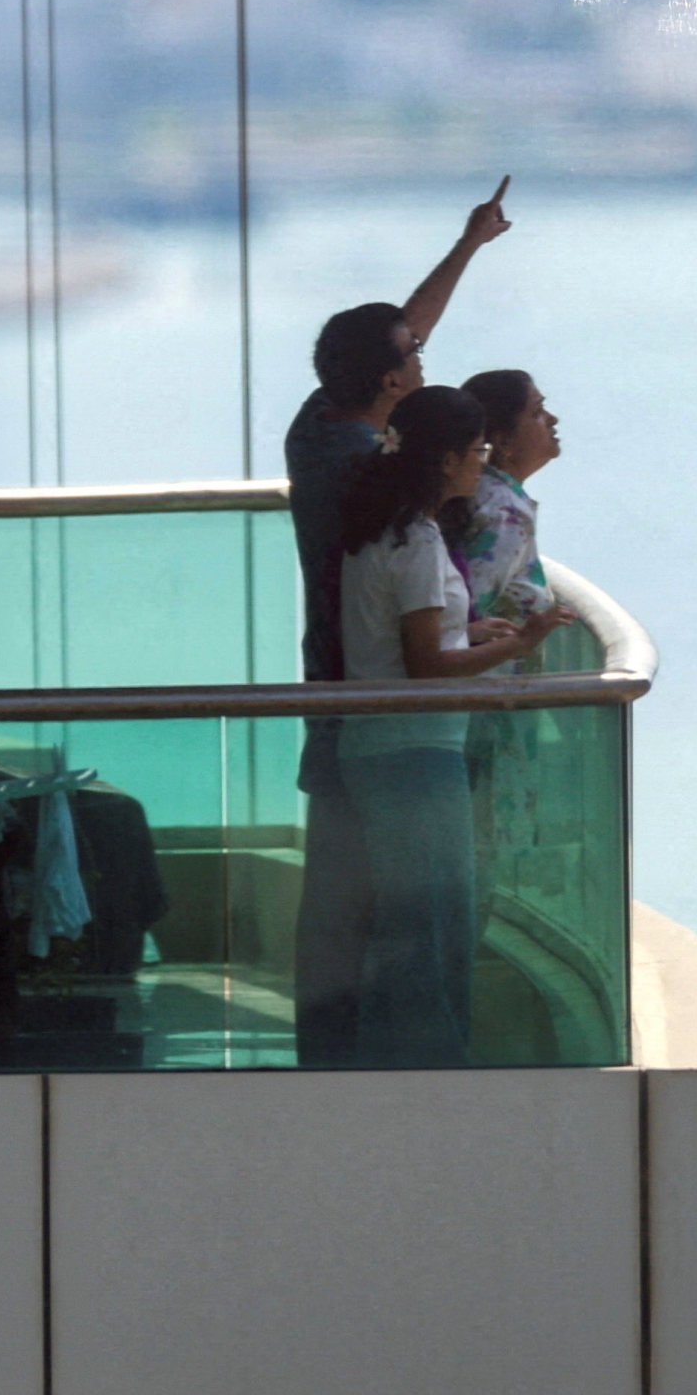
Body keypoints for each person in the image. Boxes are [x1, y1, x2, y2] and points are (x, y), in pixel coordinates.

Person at [285, 181, 514, 1062]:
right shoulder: (378, 482)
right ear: (389, 384)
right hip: (374, 699)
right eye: (411, 360)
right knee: (394, 905)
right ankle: (388, 1064)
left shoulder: (316, 433)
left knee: (338, 898)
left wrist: (466, 248)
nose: (420, 361)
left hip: (333, 693)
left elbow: (401, 335)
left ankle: (330, 1056)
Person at [326, 387, 573, 1063]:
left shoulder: (389, 529)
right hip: (412, 750)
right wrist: (520, 644)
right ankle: (425, 1063)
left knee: (419, 918)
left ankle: (405, 1057)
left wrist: (470, 629)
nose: (480, 465)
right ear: (446, 460)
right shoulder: (415, 539)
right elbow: (426, 663)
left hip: (392, 747)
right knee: (432, 922)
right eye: (475, 452)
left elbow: (411, 636)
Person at [445, 369, 559, 629]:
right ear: (503, 442)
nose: (552, 419)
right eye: (537, 412)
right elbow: (462, 619)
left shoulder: (478, 493)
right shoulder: (506, 512)